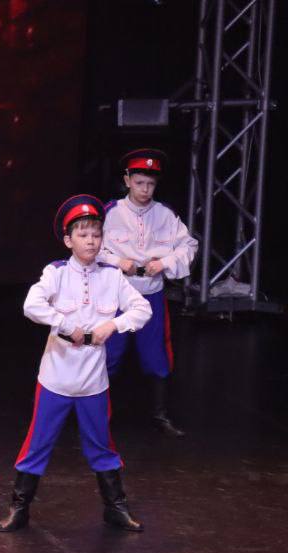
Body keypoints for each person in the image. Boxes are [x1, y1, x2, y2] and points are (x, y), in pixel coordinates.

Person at [0, 195, 152, 533]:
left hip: (93, 380)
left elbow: (142, 309)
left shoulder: (112, 276)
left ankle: (115, 507)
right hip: (56, 376)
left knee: (101, 444)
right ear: (69, 240)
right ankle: (19, 507)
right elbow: (31, 305)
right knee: (38, 442)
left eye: (96, 235)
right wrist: (65, 324)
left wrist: (114, 325)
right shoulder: (56, 273)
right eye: (83, 235)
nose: (91, 241)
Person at [98, 148, 197, 438]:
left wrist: (164, 263)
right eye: (139, 182)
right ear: (127, 180)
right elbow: (91, 246)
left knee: (156, 354)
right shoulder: (110, 212)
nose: (145, 189)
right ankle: (99, 417)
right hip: (116, 296)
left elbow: (188, 246)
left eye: (151, 184)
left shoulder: (165, 214)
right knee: (109, 354)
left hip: (151, 295)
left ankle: (160, 415)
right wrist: (118, 261)